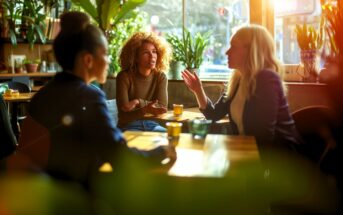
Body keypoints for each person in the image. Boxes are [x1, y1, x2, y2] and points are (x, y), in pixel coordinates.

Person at [22, 12, 165, 188]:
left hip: (42, 192)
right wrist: (160, 152)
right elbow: (117, 155)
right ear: (88, 60)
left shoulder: (42, 95)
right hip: (74, 196)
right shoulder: (88, 96)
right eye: (105, 54)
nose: (108, 60)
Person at [182, 25, 302, 156]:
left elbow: (263, 138)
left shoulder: (267, 78)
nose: (227, 52)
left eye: (233, 46)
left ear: (251, 50)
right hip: (251, 154)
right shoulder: (238, 80)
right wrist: (198, 90)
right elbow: (214, 114)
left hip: (281, 162)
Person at [116, 32, 171, 132]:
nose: (152, 56)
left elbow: (162, 107)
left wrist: (138, 102)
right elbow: (124, 116)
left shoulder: (161, 77)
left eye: (154, 51)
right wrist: (146, 109)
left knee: (169, 137)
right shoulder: (124, 77)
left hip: (152, 125)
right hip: (128, 126)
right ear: (135, 57)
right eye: (146, 52)